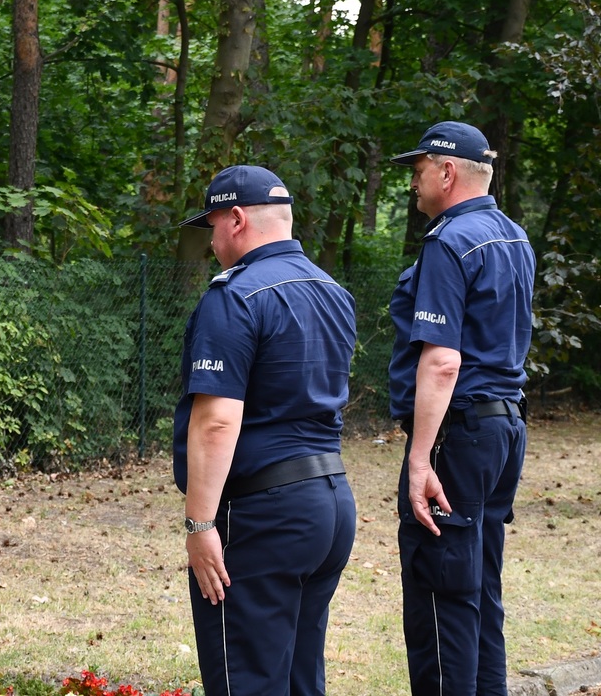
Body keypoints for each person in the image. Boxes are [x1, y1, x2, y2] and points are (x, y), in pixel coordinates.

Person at [173, 165, 358, 696]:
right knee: (301, 678)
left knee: (246, 680)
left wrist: (199, 525)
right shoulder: (332, 293)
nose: (210, 242)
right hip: (330, 504)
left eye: (211, 226)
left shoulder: (234, 297)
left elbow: (216, 421)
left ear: (235, 219)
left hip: (262, 516)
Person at [387, 121, 535, 696]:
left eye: (419, 170)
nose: (414, 184)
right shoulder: (513, 236)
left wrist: (422, 458)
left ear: (447, 172)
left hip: (461, 432)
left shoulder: (449, 241)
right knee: (480, 588)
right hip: (503, 428)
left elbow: (442, 360)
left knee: (439, 591)